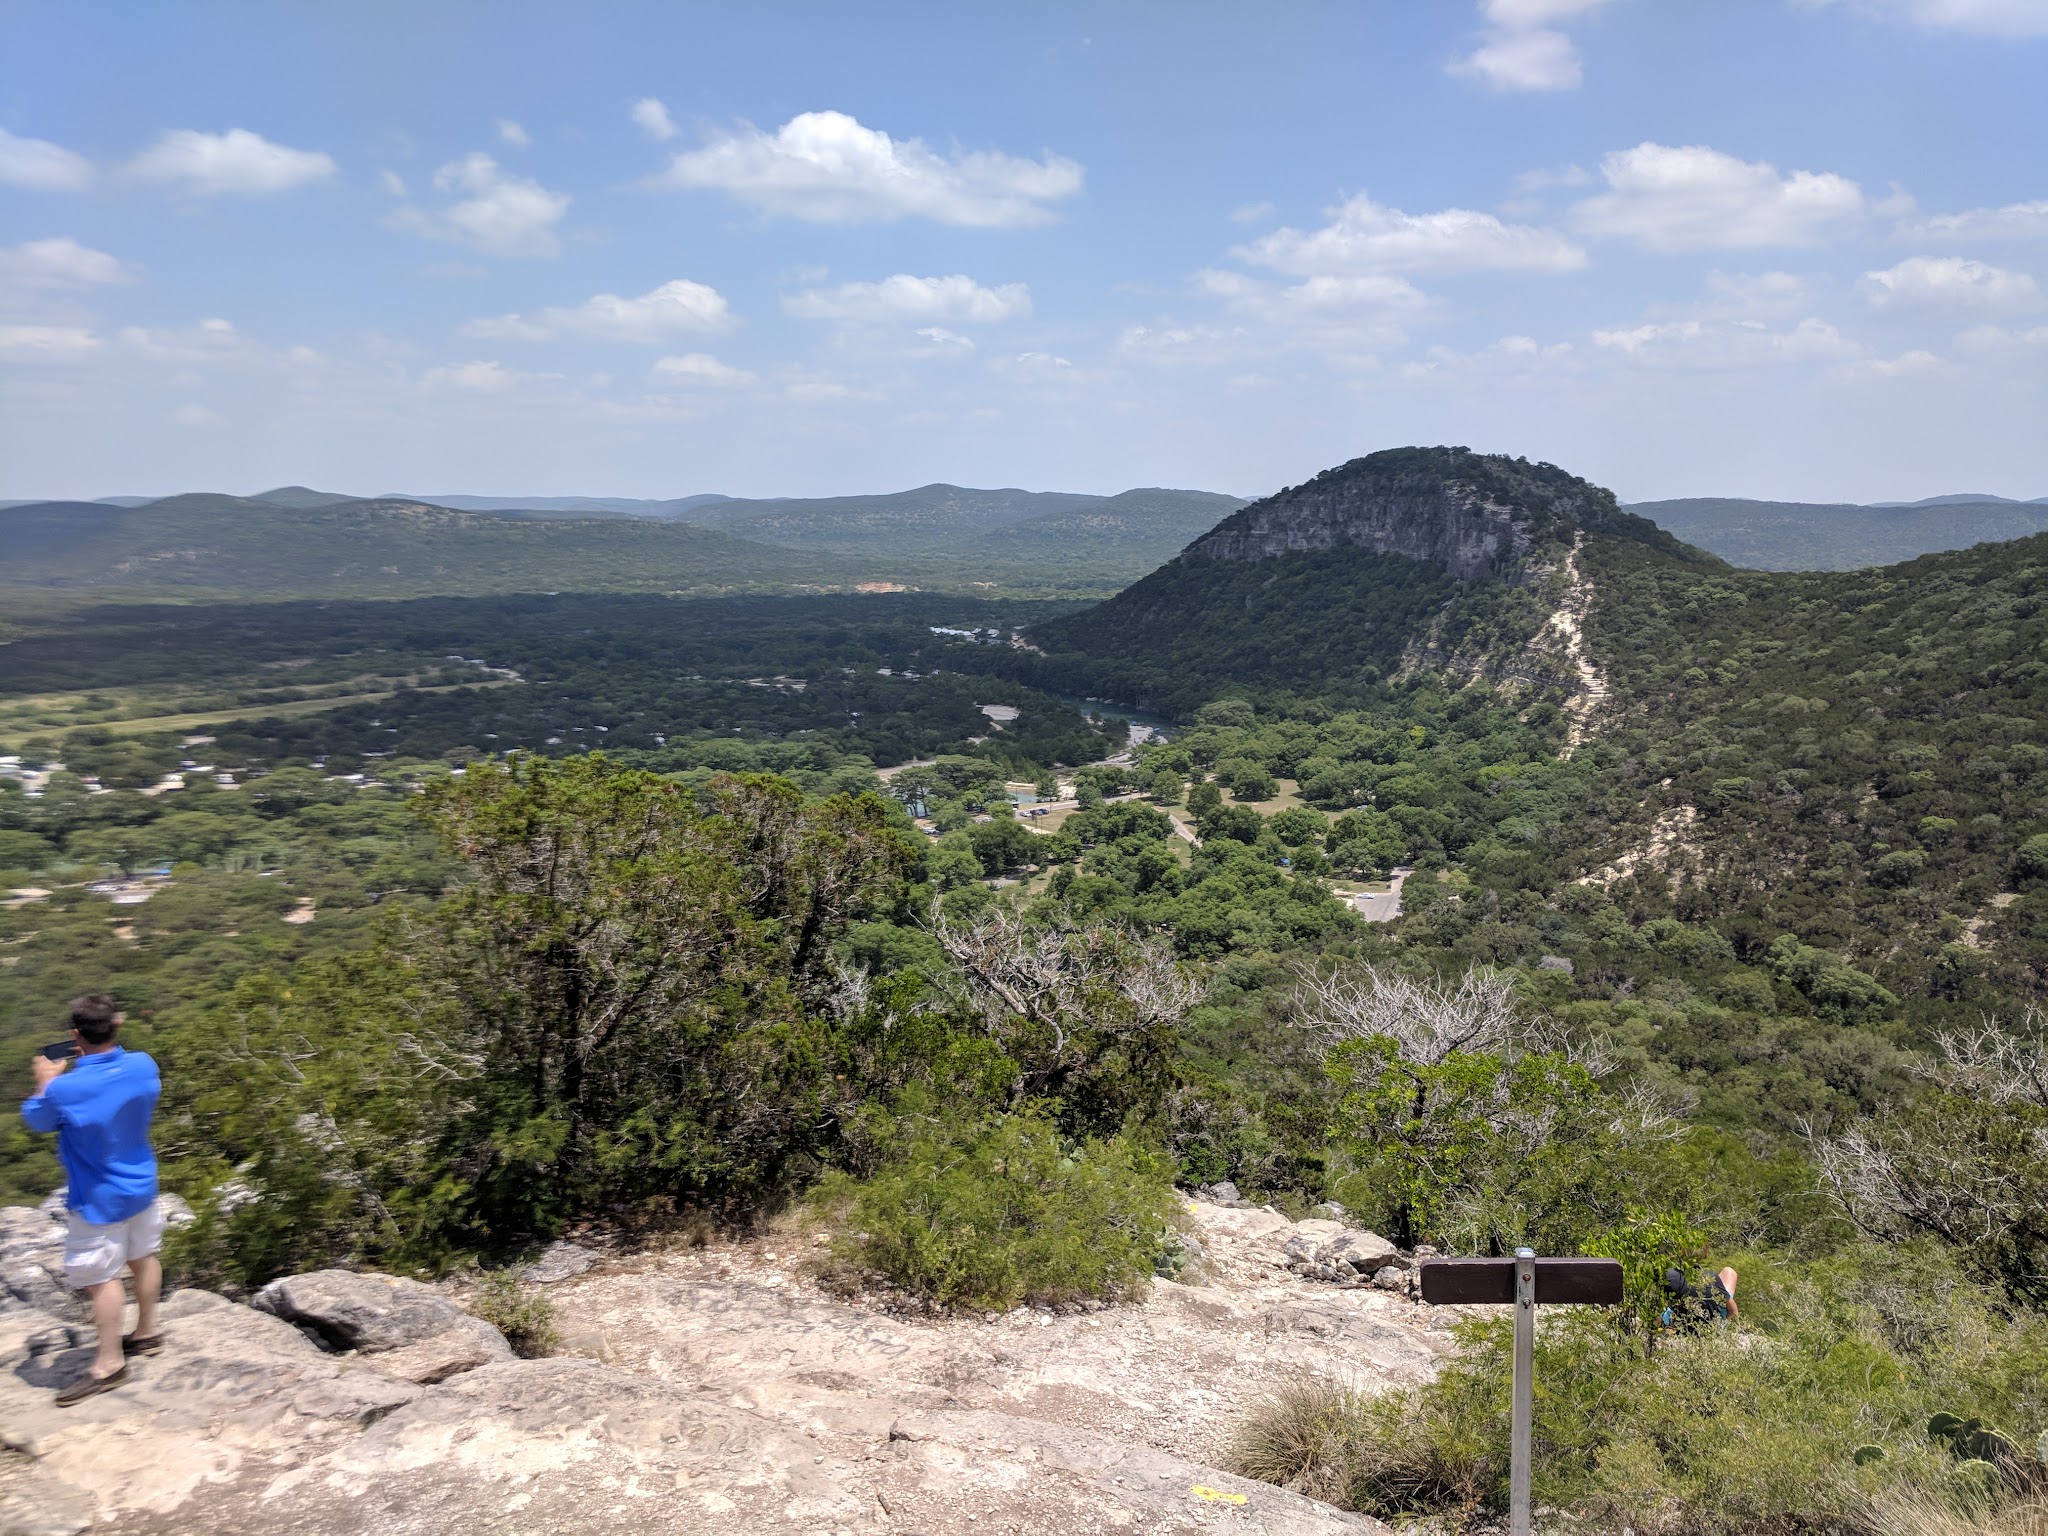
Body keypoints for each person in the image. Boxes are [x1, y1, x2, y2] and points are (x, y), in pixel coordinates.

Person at [21, 994, 165, 1406]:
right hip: (142, 1182)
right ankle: (148, 1331)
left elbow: (37, 1119)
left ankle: (108, 1364)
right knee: (144, 1255)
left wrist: (45, 1081)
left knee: (100, 1279)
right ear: (117, 1025)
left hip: (98, 1197)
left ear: (74, 1035)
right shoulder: (143, 1064)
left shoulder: (65, 1089)